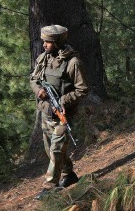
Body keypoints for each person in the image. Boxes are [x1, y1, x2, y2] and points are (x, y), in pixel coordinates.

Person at [30, 25, 88, 200]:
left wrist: (62, 101)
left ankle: (49, 187)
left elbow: (82, 89)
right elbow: (33, 78)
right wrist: (38, 90)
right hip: (46, 112)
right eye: (44, 41)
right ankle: (68, 174)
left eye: (48, 42)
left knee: (56, 150)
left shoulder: (73, 62)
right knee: (50, 149)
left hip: (64, 113)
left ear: (57, 42)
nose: (44, 45)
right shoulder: (43, 59)